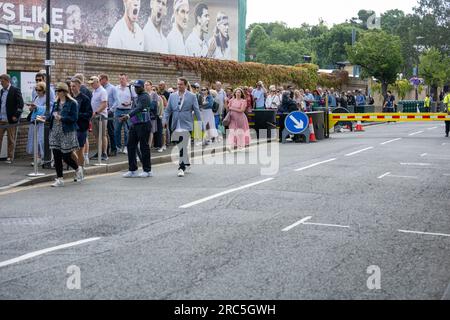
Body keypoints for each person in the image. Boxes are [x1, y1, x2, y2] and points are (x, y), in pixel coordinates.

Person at [163, 77, 202, 177]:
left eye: (181, 84)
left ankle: (181, 167)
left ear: (185, 85)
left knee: (182, 144)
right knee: (180, 145)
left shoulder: (192, 96)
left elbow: (197, 110)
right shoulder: (172, 96)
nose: (179, 86)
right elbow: (168, 110)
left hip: (186, 123)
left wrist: (199, 124)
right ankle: (187, 162)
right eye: (178, 84)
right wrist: (164, 120)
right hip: (175, 123)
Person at [48, 83, 83, 187]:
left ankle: (78, 168)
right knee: (56, 155)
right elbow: (51, 115)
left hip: (66, 131)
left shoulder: (73, 103)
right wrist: (45, 118)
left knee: (66, 156)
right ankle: (60, 179)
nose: (57, 93)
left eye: (58, 91)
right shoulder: (55, 103)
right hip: (55, 131)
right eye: (56, 91)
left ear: (64, 92)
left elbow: (74, 118)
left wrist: (62, 118)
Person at [120, 80, 153, 178]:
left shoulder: (145, 96)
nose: (136, 88)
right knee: (130, 146)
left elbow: (139, 108)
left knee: (144, 147)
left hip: (144, 124)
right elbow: (134, 109)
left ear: (142, 87)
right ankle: (132, 170)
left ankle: (147, 170)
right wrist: (127, 115)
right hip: (135, 124)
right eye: (135, 87)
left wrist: (128, 116)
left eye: (138, 87)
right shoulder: (137, 97)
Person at [0, 74, 24, 164]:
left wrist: (16, 116)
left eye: (2, 81)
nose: (1, 83)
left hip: (10, 120)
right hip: (1, 119)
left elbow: (21, 104)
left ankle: (10, 157)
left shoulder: (15, 90)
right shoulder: (1, 91)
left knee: (11, 139)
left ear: (7, 81)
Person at [70, 78, 93, 169]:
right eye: (71, 86)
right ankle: (77, 169)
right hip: (71, 127)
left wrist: (77, 115)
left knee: (80, 150)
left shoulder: (85, 98)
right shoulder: (70, 98)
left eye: (74, 86)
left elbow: (89, 113)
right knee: (71, 150)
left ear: (79, 86)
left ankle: (81, 168)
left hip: (81, 127)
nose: (72, 88)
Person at [88, 76, 109, 161]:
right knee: (96, 135)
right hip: (94, 116)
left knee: (103, 135)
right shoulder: (94, 91)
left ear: (97, 82)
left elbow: (104, 104)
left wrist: (96, 112)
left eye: (93, 83)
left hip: (101, 116)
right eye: (91, 84)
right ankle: (99, 152)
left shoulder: (103, 91)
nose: (91, 85)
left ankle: (104, 153)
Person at [26, 82, 47, 166]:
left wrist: (37, 107)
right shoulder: (36, 97)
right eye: (36, 90)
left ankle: (43, 157)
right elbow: (32, 109)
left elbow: (46, 109)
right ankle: (38, 158)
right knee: (35, 140)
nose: (38, 91)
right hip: (34, 120)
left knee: (41, 140)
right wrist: (31, 107)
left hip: (41, 121)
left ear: (44, 90)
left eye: (39, 90)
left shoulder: (46, 98)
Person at [99, 74, 120, 157]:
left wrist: (111, 110)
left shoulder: (112, 88)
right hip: (102, 113)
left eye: (100, 79)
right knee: (102, 132)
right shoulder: (100, 89)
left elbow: (117, 101)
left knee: (111, 131)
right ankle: (104, 150)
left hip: (109, 112)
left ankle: (114, 149)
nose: (99, 81)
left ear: (105, 79)